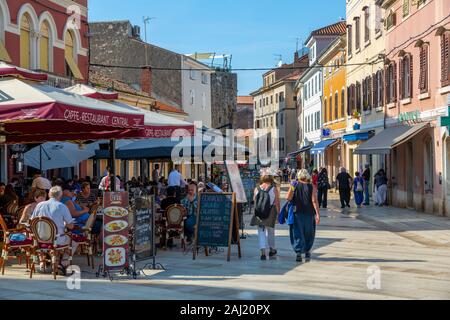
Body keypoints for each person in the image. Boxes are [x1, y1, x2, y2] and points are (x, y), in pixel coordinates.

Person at [31, 186, 75, 273]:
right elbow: (71, 226)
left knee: (61, 237)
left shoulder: (39, 205)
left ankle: (45, 262)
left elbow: (32, 221)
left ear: (49, 194)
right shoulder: (62, 206)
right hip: (56, 240)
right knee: (73, 241)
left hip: (40, 239)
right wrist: (64, 224)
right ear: (60, 196)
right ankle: (63, 262)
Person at [286, 169, 320, 263]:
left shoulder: (294, 185)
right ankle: (307, 251)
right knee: (309, 232)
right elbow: (314, 200)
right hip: (309, 214)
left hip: (297, 213)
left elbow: (288, 198)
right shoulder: (311, 186)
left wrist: (292, 188)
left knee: (297, 232)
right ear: (307, 176)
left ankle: (298, 253)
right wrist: (317, 214)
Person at [250, 170, 281, 261]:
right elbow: (277, 202)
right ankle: (272, 249)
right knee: (271, 231)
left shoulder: (257, 188)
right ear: (271, 178)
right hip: (271, 212)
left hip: (259, 213)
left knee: (261, 231)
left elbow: (254, 200)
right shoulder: (273, 188)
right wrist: (278, 214)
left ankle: (263, 252)